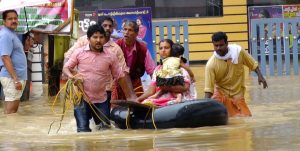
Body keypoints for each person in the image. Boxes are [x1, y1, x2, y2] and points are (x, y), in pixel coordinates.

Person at [63, 24, 137, 132]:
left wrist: (130, 97)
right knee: (83, 131)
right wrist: (71, 77)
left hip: (101, 99)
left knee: (105, 130)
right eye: (95, 37)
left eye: (101, 37)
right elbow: (66, 68)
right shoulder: (79, 53)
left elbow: (120, 76)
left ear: (105, 38)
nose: (98, 40)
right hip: (81, 98)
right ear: (88, 39)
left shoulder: (111, 56)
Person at [63, 16, 133, 106]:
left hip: (104, 92)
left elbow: (122, 73)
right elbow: (68, 56)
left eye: (110, 26)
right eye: (105, 25)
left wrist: (130, 97)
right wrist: (68, 75)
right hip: (80, 91)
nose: (107, 28)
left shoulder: (115, 50)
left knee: (103, 120)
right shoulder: (83, 42)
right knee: (82, 120)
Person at [204, 31, 268, 117]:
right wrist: (204, 107)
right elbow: (209, 90)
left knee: (247, 118)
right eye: (216, 45)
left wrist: (260, 76)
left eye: (221, 45)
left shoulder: (238, 52)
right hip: (220, 94)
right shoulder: (210, 65)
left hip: (238, 94)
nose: (218, 48)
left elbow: (252, 63)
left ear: (227, 43)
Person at [136, 39, 196, 106]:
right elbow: (151, 91)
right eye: (161, 48)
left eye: (166, 48)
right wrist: (138, 99)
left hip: (179, 101)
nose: (163, 50)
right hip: (161, 98)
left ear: (172, 49)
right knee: (145, 103)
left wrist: (165, 87)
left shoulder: (180, 66)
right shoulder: (158, 69)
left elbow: (185, 87)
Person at [114, 20, 156, 101]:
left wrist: (156, 89)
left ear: (137, 34)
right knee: (116, 109)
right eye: (125, 29)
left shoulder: (142, 48)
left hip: (136, 82)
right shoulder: (116, 46)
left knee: (137, 109)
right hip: (118, 83)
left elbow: (152, 71)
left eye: (130, 30)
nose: (126, 32)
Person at [0, 10, 27, 114]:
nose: (14, 20)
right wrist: (16, 80)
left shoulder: (11, 34)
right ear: (4, 21)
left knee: (12, 113)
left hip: (16, 77)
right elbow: (5, 57)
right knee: (11, 113)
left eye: (15, 18)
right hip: (12, 78)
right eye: (10, 19)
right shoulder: (6, 35)